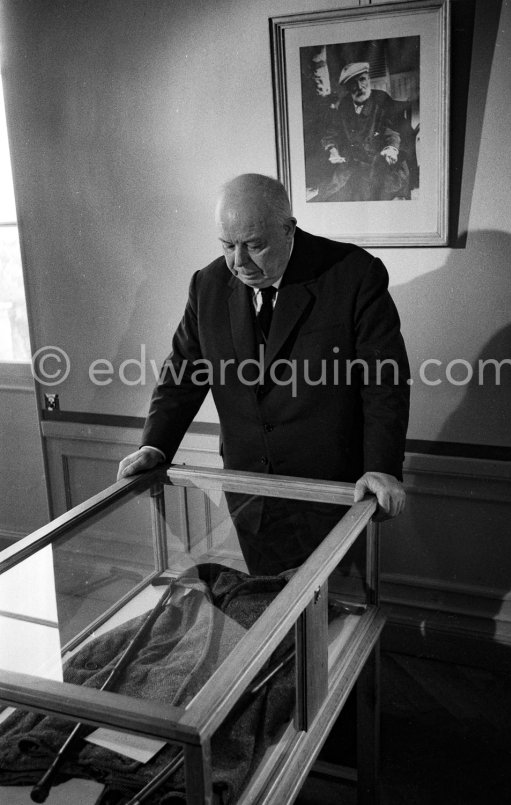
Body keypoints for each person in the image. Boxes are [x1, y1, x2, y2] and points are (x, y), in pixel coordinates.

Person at [117, 173, 410, 573]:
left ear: (289, 230)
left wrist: (382, 466)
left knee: (332, 616)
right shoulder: (207, 285)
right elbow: (183, 374)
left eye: (255, 246)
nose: (239, 263)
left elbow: (385, 381)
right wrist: (155, 445)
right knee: (269, 605)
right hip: (248, 491)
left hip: (332, 491)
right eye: (227, 246)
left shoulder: (353, 274)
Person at [316, 62, 412, 202]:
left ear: (368, 79)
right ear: (348, 88)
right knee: (331, 197)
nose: (360, 87)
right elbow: (331, 133)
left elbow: (393, 131)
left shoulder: (381, 100)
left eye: (362, 79)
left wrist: (391, 149)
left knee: (384, 198)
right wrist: (332, 150)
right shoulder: (344, 105)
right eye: (353, 84)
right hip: (354, 166)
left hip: (383, 164)